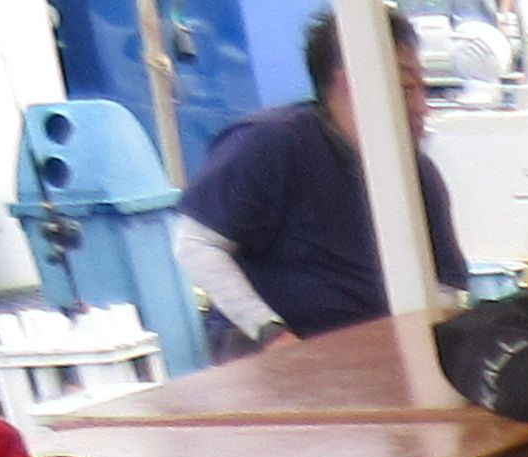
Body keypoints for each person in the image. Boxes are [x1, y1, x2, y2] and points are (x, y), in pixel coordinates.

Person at [176, 11, 469, 348]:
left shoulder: (419, 174)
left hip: (381, 351)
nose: (422, 107)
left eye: (423, 88)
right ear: (350, 83)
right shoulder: (269, 144)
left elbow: (447, 285)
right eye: (405, 88)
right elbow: (197, 245)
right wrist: (272, 334)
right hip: (271, 353)